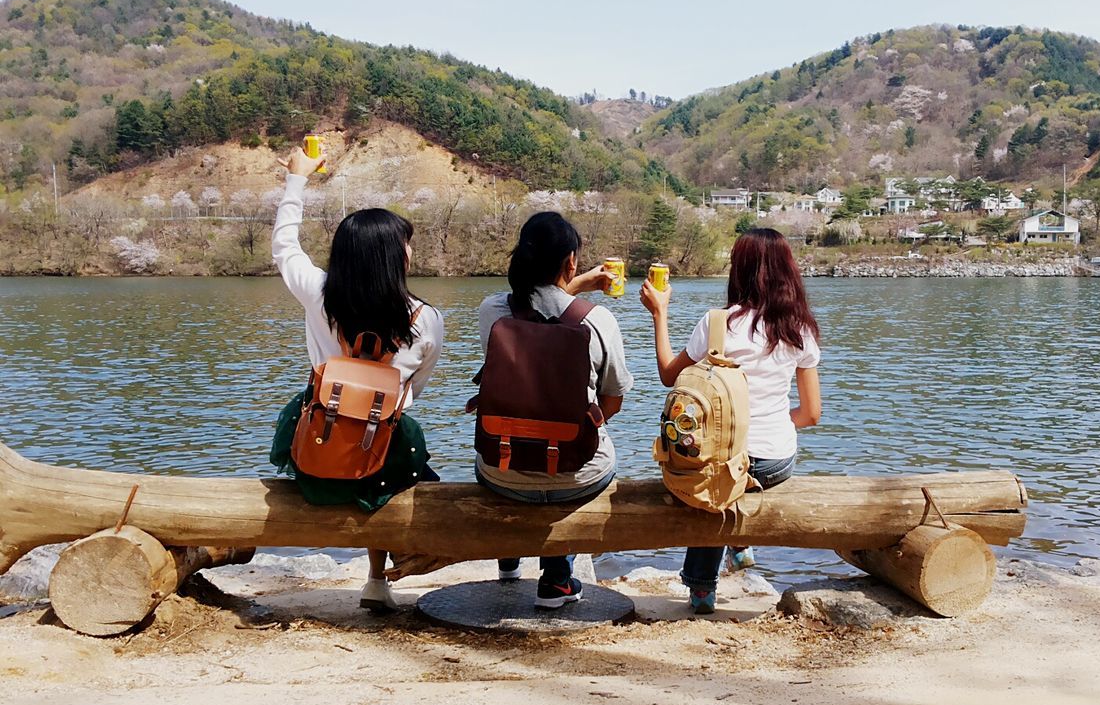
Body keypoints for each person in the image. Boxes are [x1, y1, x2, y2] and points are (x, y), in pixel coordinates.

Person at [269, 145, 444, 613]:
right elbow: (413, 392)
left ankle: (372, 574)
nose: (410, 251)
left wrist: (297, 179)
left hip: (317, 444)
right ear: (395, 258)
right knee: (393, 432)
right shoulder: (426, 320)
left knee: (329, 416)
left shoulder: (318, 294)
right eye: (406, 245)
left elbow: (285, 245)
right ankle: (377, 577)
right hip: (385, 453)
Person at [640, 227, 821, 615]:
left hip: (723, 464)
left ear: (738, 270)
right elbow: (810, 415)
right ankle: (738, 550)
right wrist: (771, 419)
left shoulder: (718, 323)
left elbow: (669, 376)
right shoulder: (800, 329)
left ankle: (702, 589)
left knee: (712, 472)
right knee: (733, 471)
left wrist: (660, 313)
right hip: (774, 463)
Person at [474, 212, 632, 608]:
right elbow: (613, 399)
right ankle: (557, 579)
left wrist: (574, 284)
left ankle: (509, 561)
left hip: (502, 469)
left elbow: (534, 309)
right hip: (578, 475)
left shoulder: (491, 313)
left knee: (514, 431)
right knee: (586, 450)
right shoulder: (599, 320)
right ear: (571, 262)